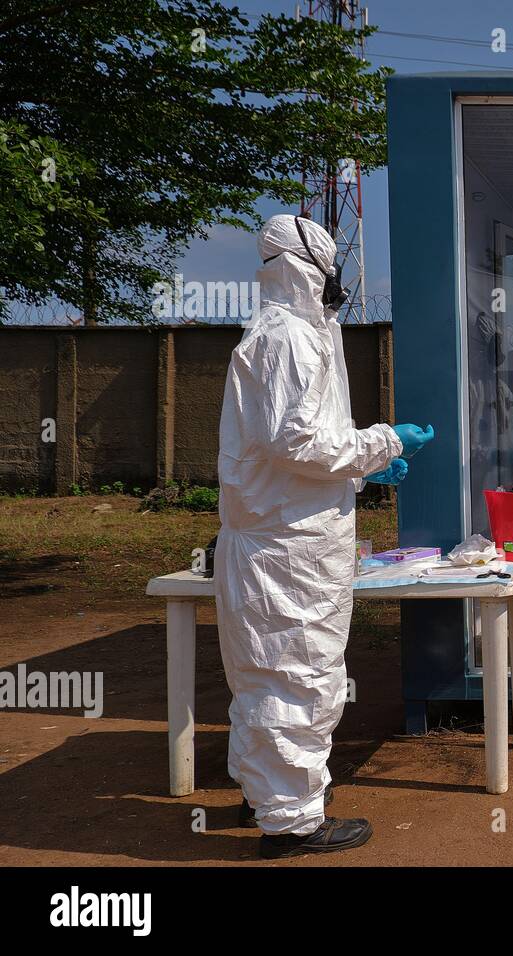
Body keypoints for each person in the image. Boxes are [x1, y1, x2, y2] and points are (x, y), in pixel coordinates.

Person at [215, 214, 435, 859]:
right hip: (289, 550)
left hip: (281, 537)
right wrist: (386, 440)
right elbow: (299, 443)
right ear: (310, 265)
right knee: (300, 678)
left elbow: (291, 453)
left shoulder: (294, 331)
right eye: (334, 263)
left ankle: (272, 794)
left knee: (271, 677)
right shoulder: (288, 336)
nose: (341, 277)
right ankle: (290, 824)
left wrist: (366, 469)